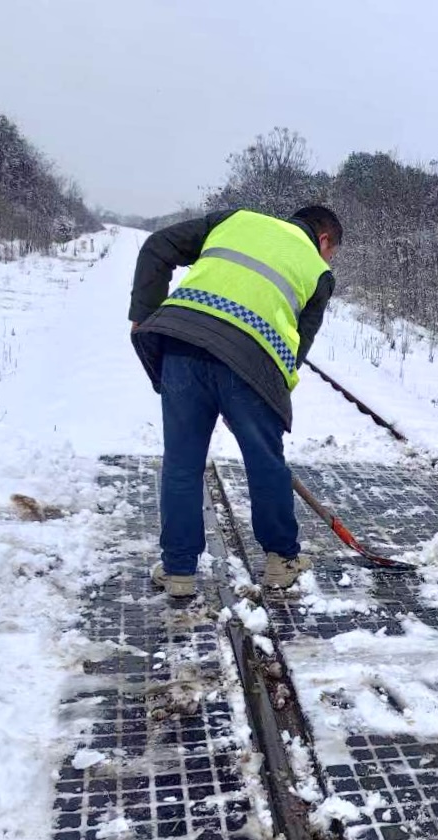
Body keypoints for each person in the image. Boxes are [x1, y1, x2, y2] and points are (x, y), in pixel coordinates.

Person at [128, 205, 342, 596]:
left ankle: (178, 572)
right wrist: (264, 394)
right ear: (324, 239)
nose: (327, 260)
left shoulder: (235, 220)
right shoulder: (319, 272)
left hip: (181, 344)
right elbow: (297, 347)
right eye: (331, 253)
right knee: (265, 462)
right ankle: (281, 560)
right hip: (251, 363)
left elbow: (158, 246)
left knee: (181, 463)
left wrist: (143, 313)